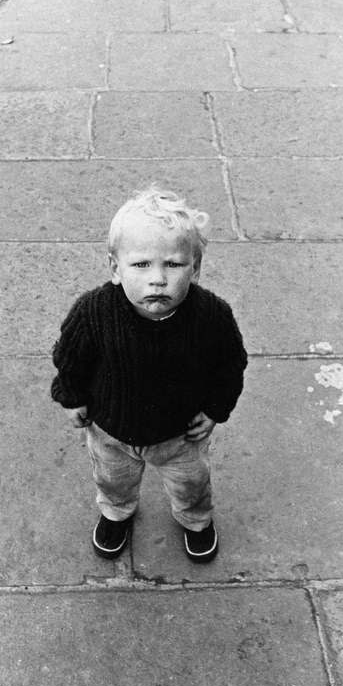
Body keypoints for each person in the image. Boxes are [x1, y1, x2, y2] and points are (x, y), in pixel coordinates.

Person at [50, 186, 247, 563]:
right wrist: (71, 396)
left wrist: (216, 408)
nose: (157, 279)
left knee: (191, 482)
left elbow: (230, 362)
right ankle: (117, 512)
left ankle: (194, 518)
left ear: (196, 266)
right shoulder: (93, 313)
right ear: (114, 268)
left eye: (172, 265)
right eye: (141, 265)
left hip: (180, 434)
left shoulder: (212, 317)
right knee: (113, 479)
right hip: (111, 429)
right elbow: (70, 357)